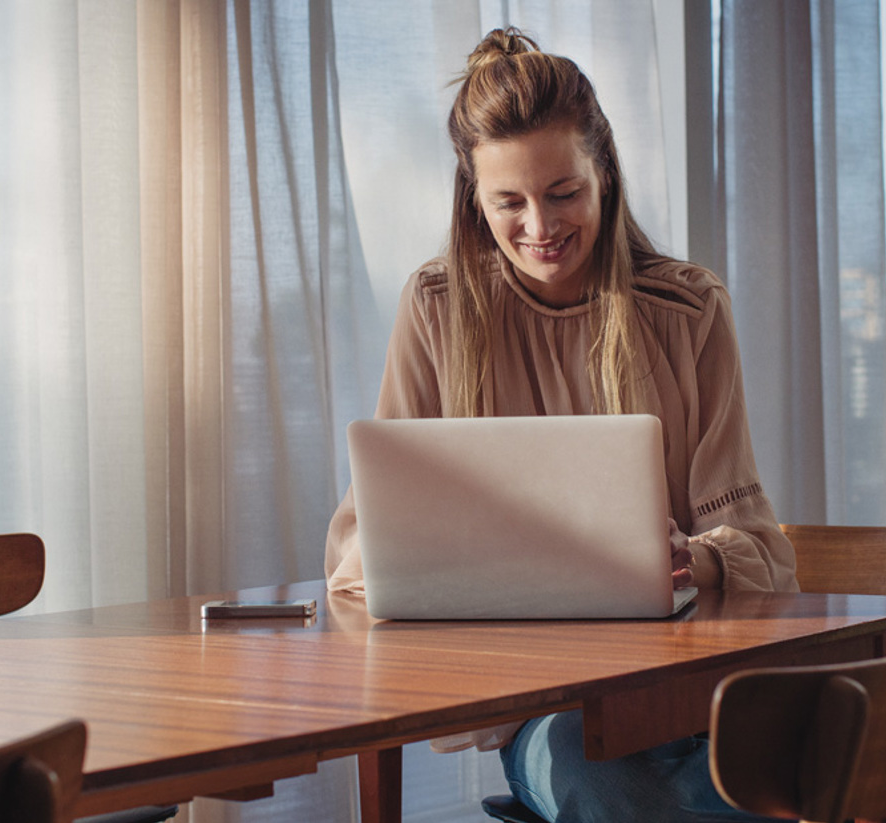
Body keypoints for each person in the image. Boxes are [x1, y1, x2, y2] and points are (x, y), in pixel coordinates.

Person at [321, 27, 828, 823]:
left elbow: (763, 551)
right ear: (472, 198)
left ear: (605, 176)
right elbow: (356, 558)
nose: (539, 226)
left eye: (563, 193)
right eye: (508, 203)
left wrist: (693, 558)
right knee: (615, 785)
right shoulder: (437, 306)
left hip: (696, 699)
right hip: (541, 713)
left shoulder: (688, 308)